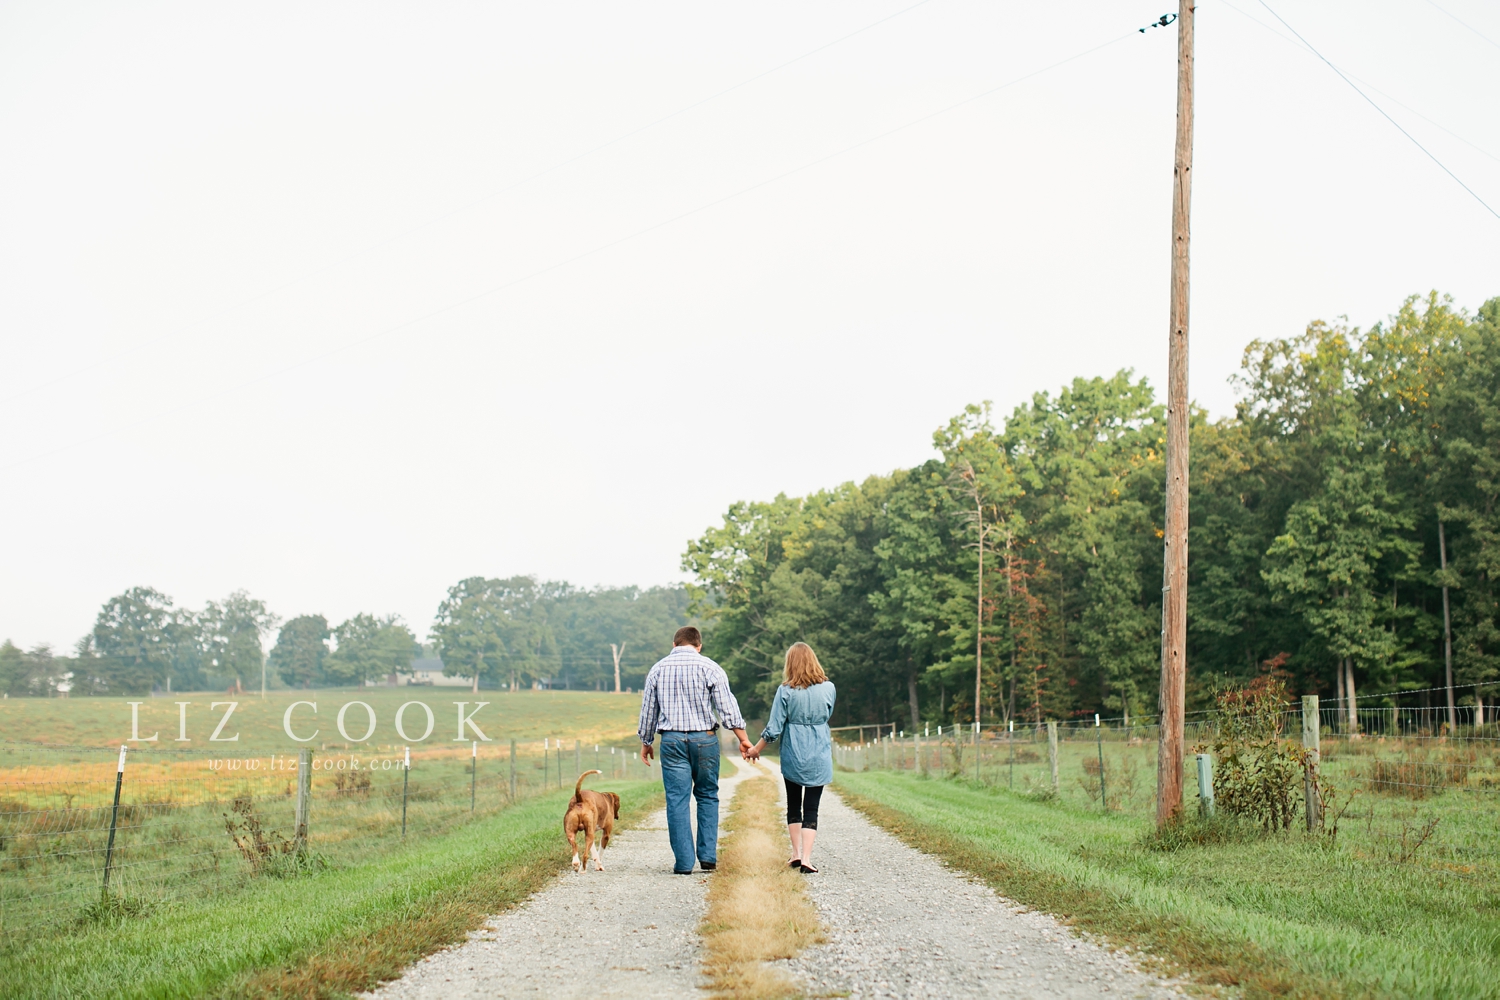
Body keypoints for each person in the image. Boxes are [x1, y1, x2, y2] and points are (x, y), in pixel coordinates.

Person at [638, 626, 752, 874]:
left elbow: (649, 711)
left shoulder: (658, 669)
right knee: (707, 794)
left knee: (677, 800)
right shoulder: (710, 667)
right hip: (705, 740)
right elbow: (727, 707)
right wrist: (742, 738)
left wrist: (646, 742)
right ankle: (708, 856)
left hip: (672, 740)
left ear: (674, 644)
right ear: (699, 645)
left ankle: (684, 863)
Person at [746, 642, 836, 874]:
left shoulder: (785, 691)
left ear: (790, 664)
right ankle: (807, 858)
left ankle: (796, 854)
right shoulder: (829, 688)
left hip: (794, 752)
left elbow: (774, 728)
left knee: (794, 803)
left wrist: (756, 749)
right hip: (819, 752)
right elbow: (827, 715)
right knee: (812, 807)